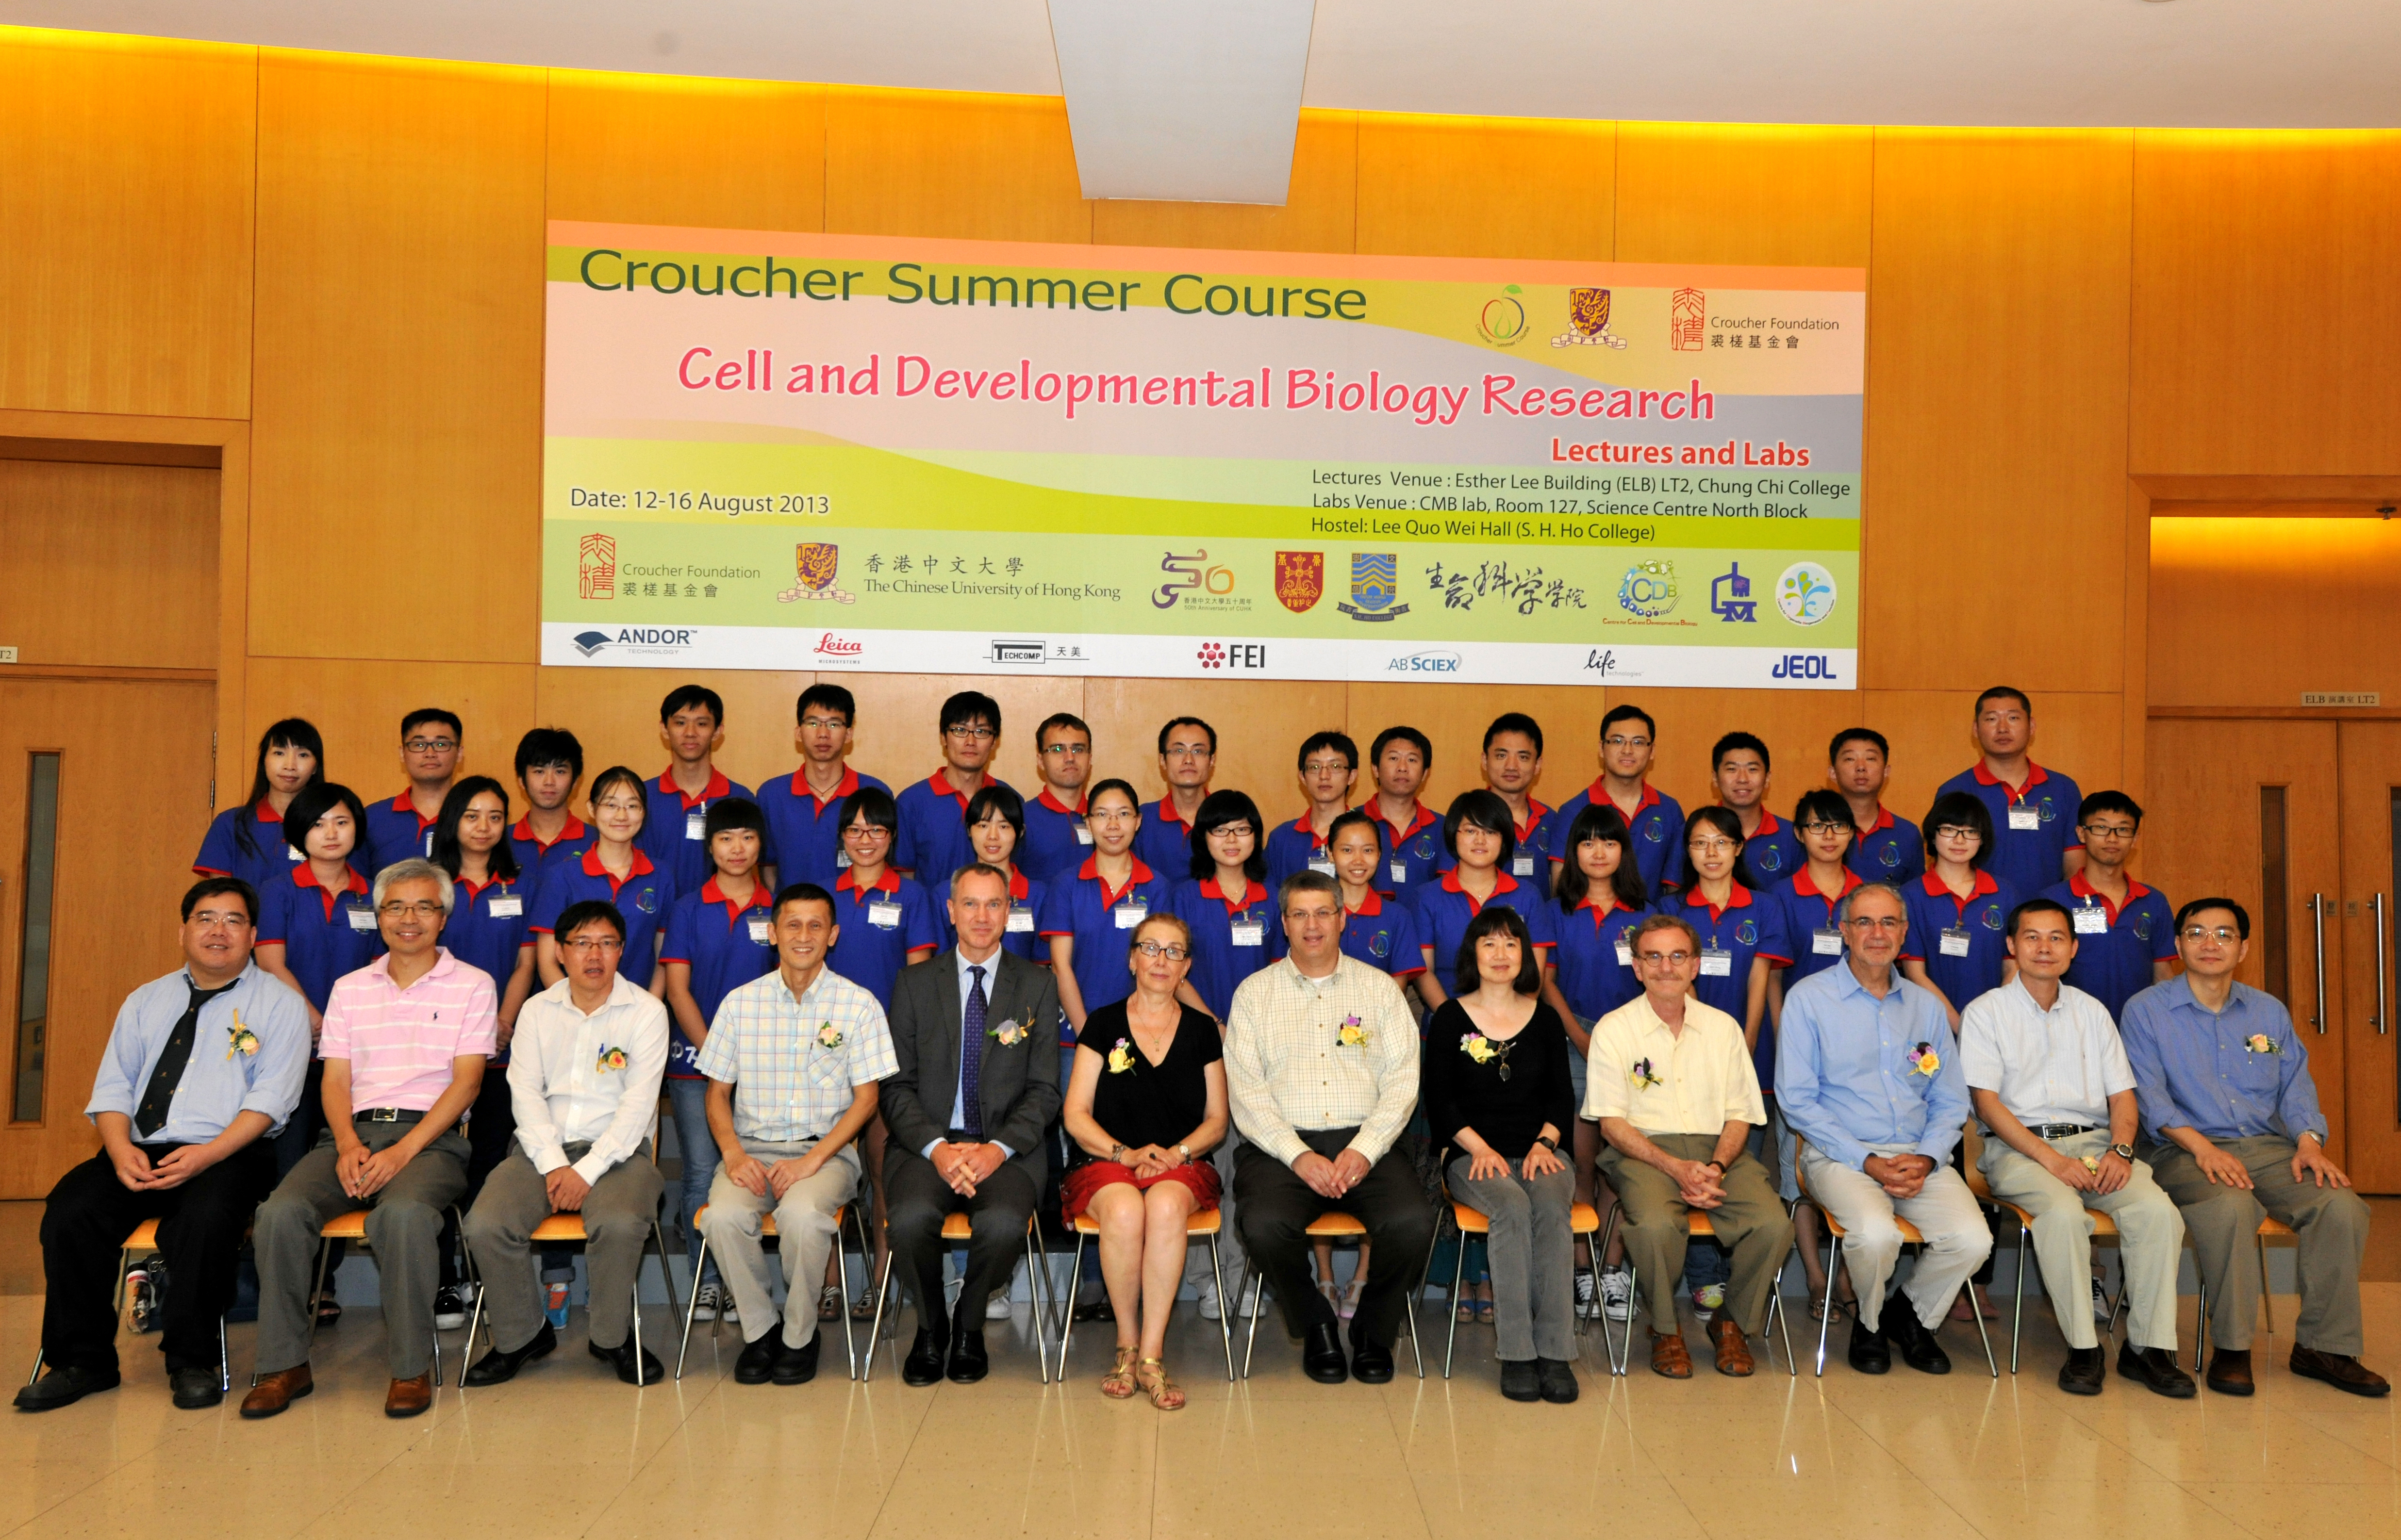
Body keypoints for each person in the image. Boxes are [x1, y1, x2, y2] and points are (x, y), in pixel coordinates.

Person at [16, 879, 310, 1413]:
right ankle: (83, 1361)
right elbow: (113, 1088)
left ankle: (192, 1360)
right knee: (70, 1211)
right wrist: (119, 1145)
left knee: (202, 1219)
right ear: (183, 931)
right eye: (205, 918)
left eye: (233, 920)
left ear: (253, 935)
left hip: (228, 1152)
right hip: (139, 1149)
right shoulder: (145, 1000)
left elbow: (273, 1101)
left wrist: (207, 1154)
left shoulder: (280, 1005)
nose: (218, 931)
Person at [240, 859, 496, 1419]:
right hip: (350, 1136)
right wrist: (349, 1142)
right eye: (395, 907)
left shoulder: (474, 985)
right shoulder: (349, 989)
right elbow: (334, 1079)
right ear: (377, 916)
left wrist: (404, 1151)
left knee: (402, 1217)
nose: (409, 919)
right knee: (281, 1213)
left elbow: (468, 1081)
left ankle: (409, 1368)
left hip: (432, 1140)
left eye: (424, 906)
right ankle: (284, 1364)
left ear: (444, 916)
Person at [2119, 899, 2386, 1397]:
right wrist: (2203, 1149)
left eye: (2224, 934)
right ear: (2178, 946)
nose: (2210, 943)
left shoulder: (2267, 1011)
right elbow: (2148, 1098)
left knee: (2340, 1207)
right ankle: (2233, 1347)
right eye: (2196, 932)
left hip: (2267, 1146)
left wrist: (2309, 1141)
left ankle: (2323, 1347)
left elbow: (2294, 1084)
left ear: (2244, 947)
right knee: (2231, 1206)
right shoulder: (2146, 1011)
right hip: (2180, 1149)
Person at [1959, 899, 2194, 1397]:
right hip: (2021, 1150)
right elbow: (1986, 1103)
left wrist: (2123, 1153)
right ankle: (2084, 1348)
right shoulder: (1986, 1013)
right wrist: (2052, 1160)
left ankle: (2148, 1349)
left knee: (2159, 1214)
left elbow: (2123, 1099)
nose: (2044, 948)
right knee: (2064, 1216)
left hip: (2096, 1145)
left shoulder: (2093, 1012)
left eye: (2056, 938)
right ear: (2011, 946)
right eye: (2031, 937)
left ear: (2074, 948)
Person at [1223, 871, 1431, 1385]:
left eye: (1323, 913)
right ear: (1284, 923)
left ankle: (1373, 1331)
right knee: (1264, 1225)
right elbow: (1246, 1093)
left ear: (1343, 918)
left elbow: (1404, 1082)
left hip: (1367, 1142)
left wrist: (1365, 1149)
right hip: (1280, 1149)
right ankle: (1315, 1321)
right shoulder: (1254, 994)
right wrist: (1297, 1155)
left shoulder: (1380, 989)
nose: (1312, 925)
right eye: (1299, 914)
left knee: (1412, 1223)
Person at [1777, 883, 1991, 1376]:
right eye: (1865, 923)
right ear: (1846, 933)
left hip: (1918, 1154)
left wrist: (1929, 1157)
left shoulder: (1926, 1006)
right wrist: (1866, 1160)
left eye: (1889, 923)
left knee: (1973, 1239)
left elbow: (1950, 1097)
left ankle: (1909, 1315)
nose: (1878, 934)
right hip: (1837, 1155)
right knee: (1875, 1236)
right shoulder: (1809, 1000)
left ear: (1904, 933)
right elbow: (1798, 1101)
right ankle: (1870, 1323)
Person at [461, 901, 670, 1386]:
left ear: (622, 950)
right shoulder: (538, 1010)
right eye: (581, 943)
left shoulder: (646, 1012)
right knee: (486, 1223)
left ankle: (612, 1337)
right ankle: (522, 1335)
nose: (593, 955)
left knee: (619, 1223)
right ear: (559, 951)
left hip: (618, 1154)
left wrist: (586, 1171)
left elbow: (638, 1109)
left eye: (606, 943)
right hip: (540, 1152)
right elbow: (526, 1094)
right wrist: (556, 1165)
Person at [696, 882, 897, 1387]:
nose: (803, 935)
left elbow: (868, 1100)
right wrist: (733, 1154)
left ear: (832, 935)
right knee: (721, 1216)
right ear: (772, 933)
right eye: (792, 924)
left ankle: (800, 1335)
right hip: (751, 1151)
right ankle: (761, 1331)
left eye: (815, 926)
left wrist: (812, 1163)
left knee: (805, 1217)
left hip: (823, 1155)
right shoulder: (740, 1005)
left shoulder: (859, 1004)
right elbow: (717, 1095)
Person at [1587, 914, 1794, 1379]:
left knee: (1772, 1224)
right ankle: (1664, 1329)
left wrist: (1716, 1166)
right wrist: (1675, 1167)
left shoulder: (1723, 1029)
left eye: (1677, 956)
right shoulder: (1613, 1030)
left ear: (1695, 965)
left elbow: (1741, 1113)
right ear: (1636, 968)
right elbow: (1611, 1124)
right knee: (1656, 1225)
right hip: (1644, 1151)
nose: (1666, 967)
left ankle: (1732, 1323)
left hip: (1718, 1151)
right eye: (1653, 957)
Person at [880, 864, 1064, 1385]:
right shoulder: (914, 984)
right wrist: (940, 1149)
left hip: (1007, 1150)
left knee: (1005, 1223)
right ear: (951, 911)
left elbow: (1045, 1090)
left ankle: (969, 1324)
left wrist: (996, 1150)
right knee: (912, 1218)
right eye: (970, 904)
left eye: (993, 905)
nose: (982, 917)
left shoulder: (1037, 984)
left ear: (1009, 912)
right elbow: (896, 1087)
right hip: (928, 1147)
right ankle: (931, 1326)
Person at [1060, 913, 1228, 1409]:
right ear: (1132, 958)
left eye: (1173, 952)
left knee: (1166, 1208)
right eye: (1150, 949)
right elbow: (1075, 1114)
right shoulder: (1103, 1023)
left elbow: (1217, 1121)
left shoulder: (1201, 1030)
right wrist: (1125, 1154)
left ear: (1186, 968)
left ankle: (1153, 1355)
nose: (1161, 960)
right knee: (1127, 1209)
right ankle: (1126, 1346)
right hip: (1111, 1159)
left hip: (1182, 1161)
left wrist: (1175, 1154)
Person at [1422, 907, 1580, 1402]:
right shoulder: (1450, 1017)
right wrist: (1480, 1147)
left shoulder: (1547, 1019)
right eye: (1489, 944)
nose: (1501, 954)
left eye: (1512, 944)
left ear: (1526, 955)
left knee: (1552, 1205)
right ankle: (1517, 1353)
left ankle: (1556, 1351)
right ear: (1472, 954)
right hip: (1472, 1153)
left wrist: (1544, 1143)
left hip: (1541, 1151)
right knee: (1511, 1207)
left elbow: (1562, 1098)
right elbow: (1439, 1100)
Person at [426, 776, 542, 1328]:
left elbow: (525, 964)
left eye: (496, 816)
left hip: (498, 1044)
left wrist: (504, 1020)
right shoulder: (430, 883)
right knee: (437, 1161)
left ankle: (485, 1272)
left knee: (493, 1158)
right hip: (435, 1050)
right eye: (472, 815)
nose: (484, 827)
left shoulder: (518, 883)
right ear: (453, 820)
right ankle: (446, 1277)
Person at [659, 798, 779, 1327]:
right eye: (726, 839)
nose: (737, 849)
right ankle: (707, 1284)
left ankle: (745, 1285)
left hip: (765, 1069)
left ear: (760, 846)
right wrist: (717, 1055)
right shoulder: (688, 907)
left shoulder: (776, 907)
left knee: (751, 1173)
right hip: (697, 1065)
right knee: (702, 1173)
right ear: (710, 847)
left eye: (748, 838)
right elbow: (678, 989)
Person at [1547, 802, 1649, 1324]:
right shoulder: (1557, 910)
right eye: (1587, 842)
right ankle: (1582, 1268)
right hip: (1575, 1040)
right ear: (1574, 852)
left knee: (1622, 1163)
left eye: (1608, 841)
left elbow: (1661, 984)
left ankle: (1614, 1269)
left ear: (1623, 851)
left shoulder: (1646, 913)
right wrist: (1579, 1035)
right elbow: (1545, 982)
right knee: (1581, 1163)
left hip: (1634, 1047)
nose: (1598, 850)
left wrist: (1615, 1040)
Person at [254, 781, 382, 1185]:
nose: (331, 833)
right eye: (318, 824)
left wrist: (341, 1029)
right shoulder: (278, 891)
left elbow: (382, 968)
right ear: (299, 832)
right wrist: (314, 1020)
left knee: (348, 1165)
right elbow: (271, 962)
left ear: (356, 829)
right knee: (290, 1162)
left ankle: (334, 1250)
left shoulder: (374, 894)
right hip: (295, 1043)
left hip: (359, 1049)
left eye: (341, 822)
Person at [1043, 779, 1178, 1036]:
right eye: (1103, 815)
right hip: (1075, 1032)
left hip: (1142, 1033)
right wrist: (1090, 1036)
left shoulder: (1157, 886)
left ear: (1138, 821)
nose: (1113, 825)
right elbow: (1061, 966)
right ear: (1088, 821)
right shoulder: (1066, 884)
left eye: (1124, 814)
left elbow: (1161, 964)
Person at [531, 765, 672, 996]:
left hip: (638, 1016)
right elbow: (547, 961)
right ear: (592, 809)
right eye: (611, 805)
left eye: (632, 806)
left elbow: (662, 959)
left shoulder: (661, 875)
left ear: (644, 812)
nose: (621, 816)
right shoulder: (561, 876)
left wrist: (649, 1012)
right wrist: (577, 1011)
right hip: (574, 1012)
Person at [1934, 687, 2085, 898]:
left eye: (2013, 718)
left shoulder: (2063, 789)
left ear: (2032, 727)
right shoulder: (1954, 791)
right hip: (1977, 916)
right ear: (1976, 729)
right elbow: (1943, 868)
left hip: (2045, 921)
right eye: (1991, 719)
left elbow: (2075, 867)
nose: (2003, 728)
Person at [1414, 790, 1560, 1007]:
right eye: (1471, 830)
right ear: (1454, 835)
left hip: (1513, 1025)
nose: (1480, 840)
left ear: (1504, 839)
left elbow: (1535, 975)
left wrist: (1514, 1020)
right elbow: (1424, 973)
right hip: (1448, 1022)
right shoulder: (1427, 897)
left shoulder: (1528, 896)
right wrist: (1454, 1021)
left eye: (1491, 832)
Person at [2041, 792, 2176, 1021]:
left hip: (2139, 1029)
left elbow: (2162, 976)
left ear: (2135, 839)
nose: (2112, 839)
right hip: (2071, 1027)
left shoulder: (2154, 901)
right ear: (2081, 834)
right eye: (2101, 828)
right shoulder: (2052, 901)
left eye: (2123, 830)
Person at [1898, 793, 2021, 1028]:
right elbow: (1915, 974)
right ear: (1933, 836)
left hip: (1995, 1024)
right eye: (1949, 830)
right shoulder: (1910, 896)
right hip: (1931, 1023)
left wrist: (1989, 1022)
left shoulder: (2004, 893)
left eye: (1971, 832)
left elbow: (2013, 966)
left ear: (1983, 839)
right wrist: (1962, 1027)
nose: (1960, 840)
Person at [755, 683, 891, 892]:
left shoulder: (875, 792)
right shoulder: (772, 795)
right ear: (798, 732)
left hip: (855, 915)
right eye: (813, 723)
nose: (823, 734)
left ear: (849, 734)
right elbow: (767, 868)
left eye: (834, 725)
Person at [1550, 704, 1685, 898]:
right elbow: (1561, 886)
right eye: (1618, 741)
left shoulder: (1669, 810)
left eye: (1638, 743)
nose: (1627, 750)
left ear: (1652, 750)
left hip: (1652, 924)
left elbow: (1675, 888)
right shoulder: (1573, 811)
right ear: (1602, 748)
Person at [1168, 789, 1280, 1022]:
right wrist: (1215, 1025)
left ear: (1255, 836)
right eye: (1220, 830)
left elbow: (1280, 971)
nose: (1231, 840)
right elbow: (1172, 972)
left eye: (1241, 830)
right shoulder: (1183, 898)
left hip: (1261, 1027)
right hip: (1197, 1027)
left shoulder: (1273, 897)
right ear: (1204, 837)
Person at [640, 684, 755, 900]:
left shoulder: (740, 798)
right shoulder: (641, 797)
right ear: (664, 729)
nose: (690, 733)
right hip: (653, 921)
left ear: (718, 731)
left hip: (717, 922)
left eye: (702, 724)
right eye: (680, 723)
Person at [193, 719, 329, 896]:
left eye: (303, 755)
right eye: (279, 753)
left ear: (315, 767)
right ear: (263, 762)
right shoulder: (231, 824)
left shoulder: (331, 826)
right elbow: (222, 900)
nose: (290, 766)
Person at [895, 689, 1012, 885]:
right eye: (960, 730)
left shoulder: (1010, 799)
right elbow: (905, 877)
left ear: (995, 742)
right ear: (943, 738)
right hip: (931, 915)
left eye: (982, 732)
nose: (970, 742)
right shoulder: (911, 802)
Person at [930, 786, 1050, 966]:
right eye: (983, 826)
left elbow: (1042, 966)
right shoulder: (945, 893)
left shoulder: (1039, 895)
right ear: (969, 830)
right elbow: (939, 965)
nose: (993, 836)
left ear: (1020, 832)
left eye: (1004, 826)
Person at [365, 709, 463, 870]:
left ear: (459, 753)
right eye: (419, 745)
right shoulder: (372, 819)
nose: (430, 753)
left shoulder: (477, 818)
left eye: (441, 745)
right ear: (403, 754)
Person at [1264, 731, 1359, 894]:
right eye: (1314, 767)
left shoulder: (1367, 835)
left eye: (1335, 767)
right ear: (1302, 777)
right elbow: (1270, 900)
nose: (1324, 776)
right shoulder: (1281, 838)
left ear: (1351, 776)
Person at [1476, 713, 1557, 900]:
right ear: (1485, 760)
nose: (1511, 766)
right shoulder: (1468, 819)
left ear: (1537, 765)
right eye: (1502, 755)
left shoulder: (1552, 820)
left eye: (1523, 757)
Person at [1708, 732, 1803, 890]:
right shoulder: (1695, 834)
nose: (1743, 779)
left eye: (1752, 769)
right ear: (1715, 778)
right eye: (1732, 769)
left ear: (1767, 779)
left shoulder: (1793, 836)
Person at [1831, 729, 1924, 885]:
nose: (1861, 767)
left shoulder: (1907, 834)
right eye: (1850, 759)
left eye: (1870, 758)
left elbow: (1915, 898)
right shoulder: (1817, 831)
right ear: (1833, 773)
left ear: (1886, 772)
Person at [1365, 725, 1443, 897]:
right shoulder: (1352, 822)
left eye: (1412, 760)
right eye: (1393, 758)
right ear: (1375, 769)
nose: (1402, 767)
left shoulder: (1443, 828)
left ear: (1425, 774)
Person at [508, 727, 596, 876]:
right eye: (539, 771)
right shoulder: (499, 842)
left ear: (575, 782)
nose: (549, 781)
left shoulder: (597, 842)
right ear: (522, 781)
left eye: (560, 771)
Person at [1136, 717, 1217, 877]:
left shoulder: (1230, 818)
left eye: (1198, 751)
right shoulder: (1141, 820)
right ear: (1163, 761)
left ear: (1212, 761)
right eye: (1178, 751)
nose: (1188, 760)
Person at [1020, 712, 1095, 884]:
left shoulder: (1107, 819)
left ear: (1090, 759)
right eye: (1058, 750)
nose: (1070, 758)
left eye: (1078, 749)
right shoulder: (1020, 820)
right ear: (1040, 761)